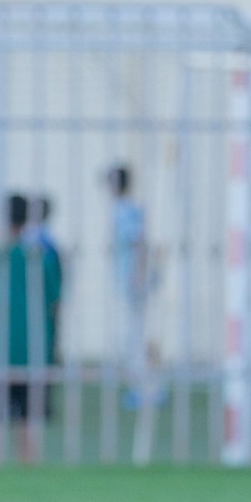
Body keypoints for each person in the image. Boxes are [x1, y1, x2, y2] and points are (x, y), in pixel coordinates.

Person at [0, 191, 63, 459]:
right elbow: (55, 305)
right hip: (33, 351)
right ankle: (28, 470)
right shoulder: (40, 259)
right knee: (29, 420)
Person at [105, 161, 160, 448]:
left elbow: (139, 243)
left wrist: (139, 277)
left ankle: (147, 387)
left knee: (133, 335)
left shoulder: (125, 211)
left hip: (132, 283)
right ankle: (144, 385)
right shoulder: (126, 209)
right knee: (132, 335)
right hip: (128, 281)